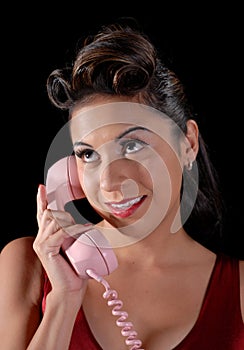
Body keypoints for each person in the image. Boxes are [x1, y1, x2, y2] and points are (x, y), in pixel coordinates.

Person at [0, 17, 243, 350]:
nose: (110, 183)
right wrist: (64, 301)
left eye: (133, 145)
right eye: (87, 154)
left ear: (188, 144)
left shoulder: (238, 289)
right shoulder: (27, 267)